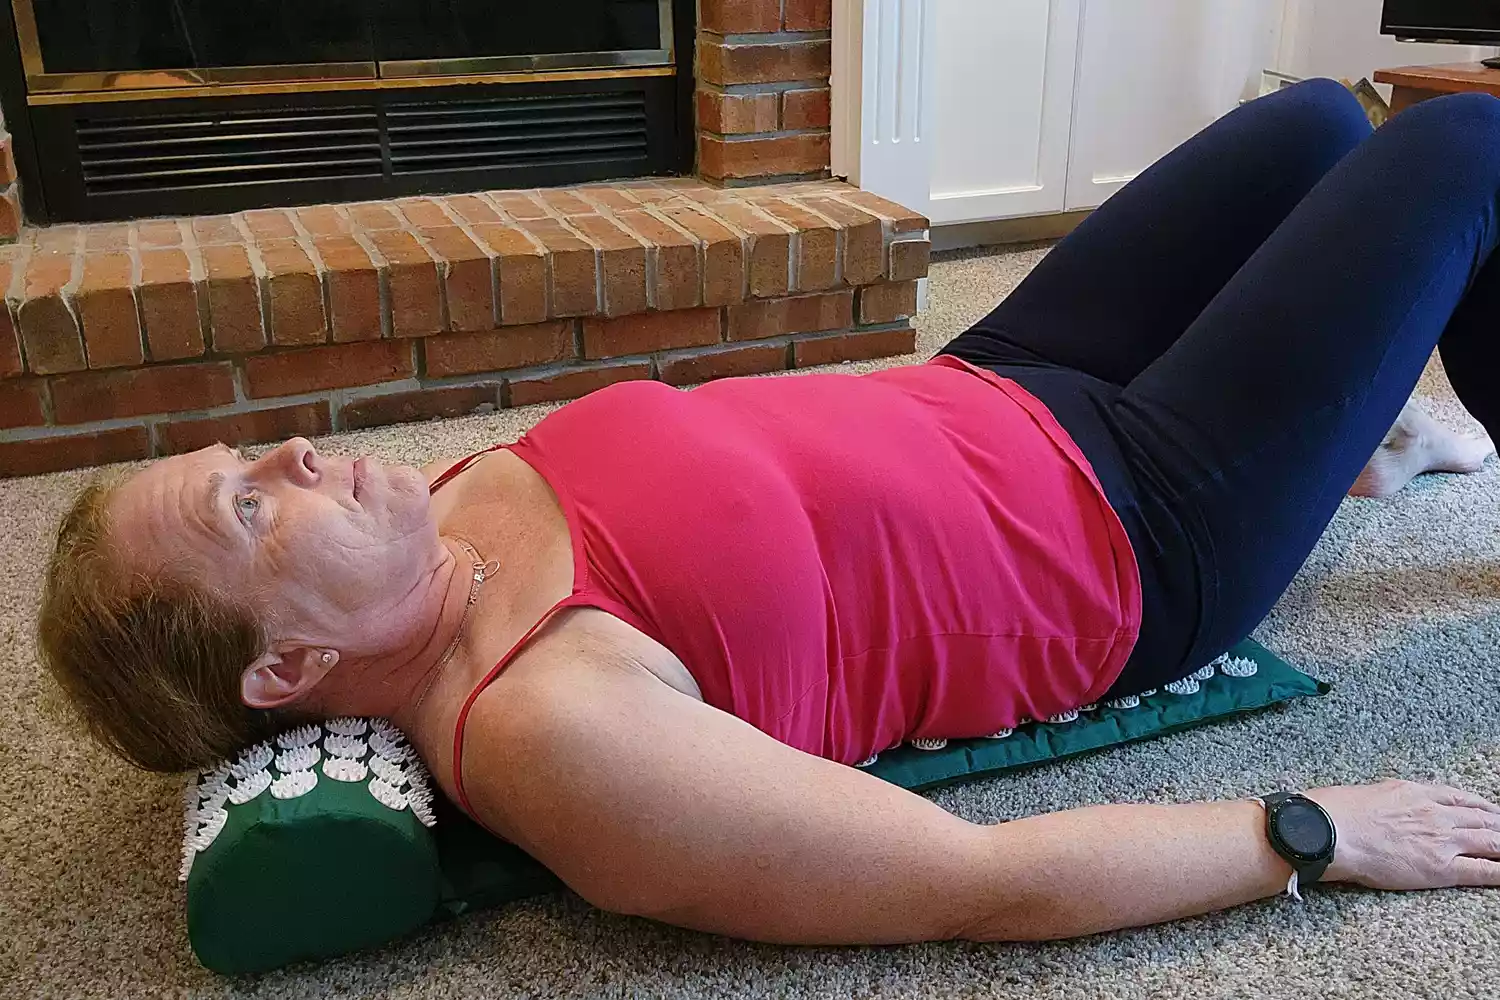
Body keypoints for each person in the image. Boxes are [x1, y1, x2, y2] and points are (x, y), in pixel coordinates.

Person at [37, 80, 1500, 946]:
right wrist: (1317, 833)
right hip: (1140, 529)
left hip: (1003, 376)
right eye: (249, 503)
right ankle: (1377, 446)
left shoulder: (432, 512)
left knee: (1312, 120)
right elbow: (970, 888)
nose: (298, 449)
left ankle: (1375, 439)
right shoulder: (551, 728)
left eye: (257, 451)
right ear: (283, 668)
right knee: (1461, 149)